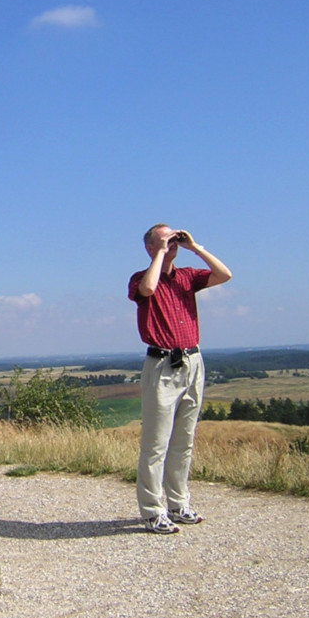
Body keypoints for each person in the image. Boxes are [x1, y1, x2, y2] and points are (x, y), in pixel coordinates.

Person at [127, 224, 232, 534]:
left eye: (174, 238)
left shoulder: (187, 276)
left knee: (183, 441)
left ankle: (178, 503)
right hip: (161, 365)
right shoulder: (139, 279)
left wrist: (195, 247)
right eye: (164, 239)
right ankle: (152, 510)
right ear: (149, 247)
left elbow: (225, 275)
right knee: (156, 444)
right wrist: (159, 252)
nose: (171, 243)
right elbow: (147, 289)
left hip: (191, 362)